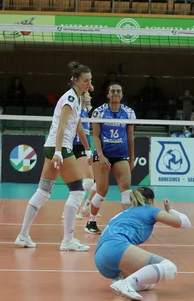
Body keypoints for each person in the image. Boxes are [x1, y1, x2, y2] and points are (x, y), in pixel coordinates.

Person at [14, 61, 93, 252]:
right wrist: (58, 152)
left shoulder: (78, 98)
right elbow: (62, 126)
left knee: (43, 191)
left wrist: (87, 148)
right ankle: (68, 240)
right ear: (75, 80)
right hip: (60, 148)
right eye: (85, 80)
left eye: (90, 80)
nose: (89, 84)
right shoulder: (70, 99)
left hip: (52, 147)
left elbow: (78, 125)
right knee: (77, 191)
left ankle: (23, 235)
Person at [94, 187, 191, 301]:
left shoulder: (125, 212)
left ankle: (122, 282)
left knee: (147, 283)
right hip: (116, 248)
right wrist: (170, 210)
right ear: (150, 201)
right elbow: (185, 223)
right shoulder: (149, 209)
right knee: (169, 268)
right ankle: (125, 284)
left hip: (101, 259)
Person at [86, 82, 136, 235]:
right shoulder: (98, 112)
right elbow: (95, 135)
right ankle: (91, 221)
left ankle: (126, 224)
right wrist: (100, 156)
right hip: (103, 154)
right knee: (102, 190)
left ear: (122, 95)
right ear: (108, 94)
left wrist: (132, 157)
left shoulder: (129, 112)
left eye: (118, 91)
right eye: (112, 91)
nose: (115, 93)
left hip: (120, 155)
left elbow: (130, 136)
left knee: (126, 188)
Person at [62, 91, 96, 220]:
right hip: (75, 146)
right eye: (88, 95)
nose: (90, 97)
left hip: (83, 147)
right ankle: (71, 210)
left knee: (88, 181)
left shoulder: (87, 111)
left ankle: (80, 209)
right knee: (87, 181)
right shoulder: (77, 108)